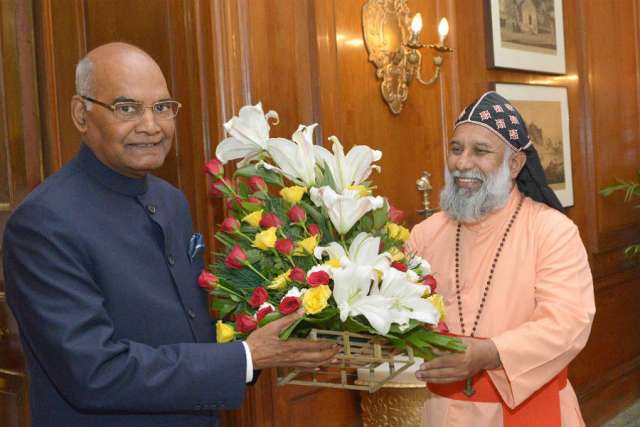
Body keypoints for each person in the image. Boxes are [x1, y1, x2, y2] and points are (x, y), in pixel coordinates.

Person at [3, 42, 337, 427]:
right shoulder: (45, 223)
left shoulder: (170, 201)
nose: (151, 126)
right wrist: (245, 357)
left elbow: (189, 329)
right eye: (127, 108)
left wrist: (289, 320)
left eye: (162, 108)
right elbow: (95, 372)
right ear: (81, 114)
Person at [410, 91, 595, 426]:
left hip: (530, 410)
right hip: (444, 413)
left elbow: (568, 324)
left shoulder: (552, 230)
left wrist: (489, 353)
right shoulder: (424, 234)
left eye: (480, 151)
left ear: (514, 164)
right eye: (456, 148)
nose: (462, 163)